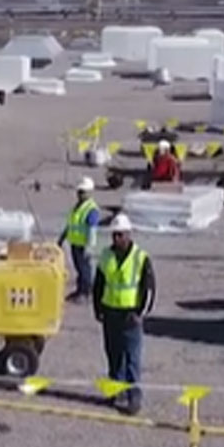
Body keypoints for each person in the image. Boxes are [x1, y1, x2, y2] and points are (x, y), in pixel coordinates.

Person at [93, 213, 156, 415]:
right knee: (113, 355)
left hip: (130, 316)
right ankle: (116, 391)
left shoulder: (140, 258)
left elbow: (149, 289)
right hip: (110, 314)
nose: (117, 239)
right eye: (114, 235)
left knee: (132, 359)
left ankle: (133, 397)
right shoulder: (106, 255)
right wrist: (98, 309)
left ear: (129, 234)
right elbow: (99, 285)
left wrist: (140, 314)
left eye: (120, 235)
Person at [58, 176, 101, 302]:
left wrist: (89, 247)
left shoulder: (91, 209)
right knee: (79, 268)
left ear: (89, 192)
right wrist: (62, 238)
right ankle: (80, 290)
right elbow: (71, 224)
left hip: (83, 245)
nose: (80, 194)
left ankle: (85, 292)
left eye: (83, 192)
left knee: (84, 269)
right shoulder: (77, 207)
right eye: (79, 191)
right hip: (75, 243)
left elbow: (92, 229)